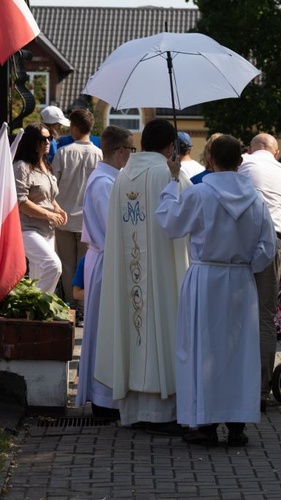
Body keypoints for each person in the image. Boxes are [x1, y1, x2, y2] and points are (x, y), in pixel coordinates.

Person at [156, 134, 276, 447]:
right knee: (238, 353)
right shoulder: (255, 198)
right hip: (239, 281)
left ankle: (205, 424)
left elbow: (171, 224)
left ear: (210, 161)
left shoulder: (199, 193)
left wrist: (171, 183)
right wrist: (247, 265)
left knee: (202, 350)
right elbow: (268, 247)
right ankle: (237, 425)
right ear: (240, 161)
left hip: (206, 278)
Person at [95, 118, 190, 434]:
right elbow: (189, 219)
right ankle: (165, 412)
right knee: (164, 327)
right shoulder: (168, 174)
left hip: (130, 276)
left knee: (132, 326)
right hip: (163, 276)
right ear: (169, 147)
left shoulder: (122, 177)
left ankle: (136, 409)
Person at [238, 133, 281, 408]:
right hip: (272, 240)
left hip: (237, 239)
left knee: (235, 313)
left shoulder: (241, 164)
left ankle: (232, 383)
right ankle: (261, 389)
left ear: (250, 149)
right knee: (265, 316)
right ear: (276, 153)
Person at [75, 125, 133, 417]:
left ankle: (108, 397)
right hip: (106, 262)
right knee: (103, 331)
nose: (132, 156)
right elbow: (114, 229)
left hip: (108, 261)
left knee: (108, 329)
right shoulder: (104, 183)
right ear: (121, 151)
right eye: (131, 150)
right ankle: (103, 399)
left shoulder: (112, 179)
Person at [51, 109, 102, 320]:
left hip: (64, 217)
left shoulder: (64, 152)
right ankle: (83, 308)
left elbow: (53, 184)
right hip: (87, 221)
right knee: (85, 265)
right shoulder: (99, 154)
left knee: (67, 265)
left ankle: (70, 307)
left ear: (74, 127)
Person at [13, 122, 66, 294]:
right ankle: (37, 307)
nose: (47, 142)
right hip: (27, 229)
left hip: (47, 231)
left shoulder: (45, 164)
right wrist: (49, 215)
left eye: (49, 138)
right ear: (31, 141)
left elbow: (49, 196)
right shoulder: (22, 166)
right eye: (42, 139)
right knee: (53, 266)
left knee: (39, 275)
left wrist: (57, 209)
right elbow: (21, 202)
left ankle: (34, 316)